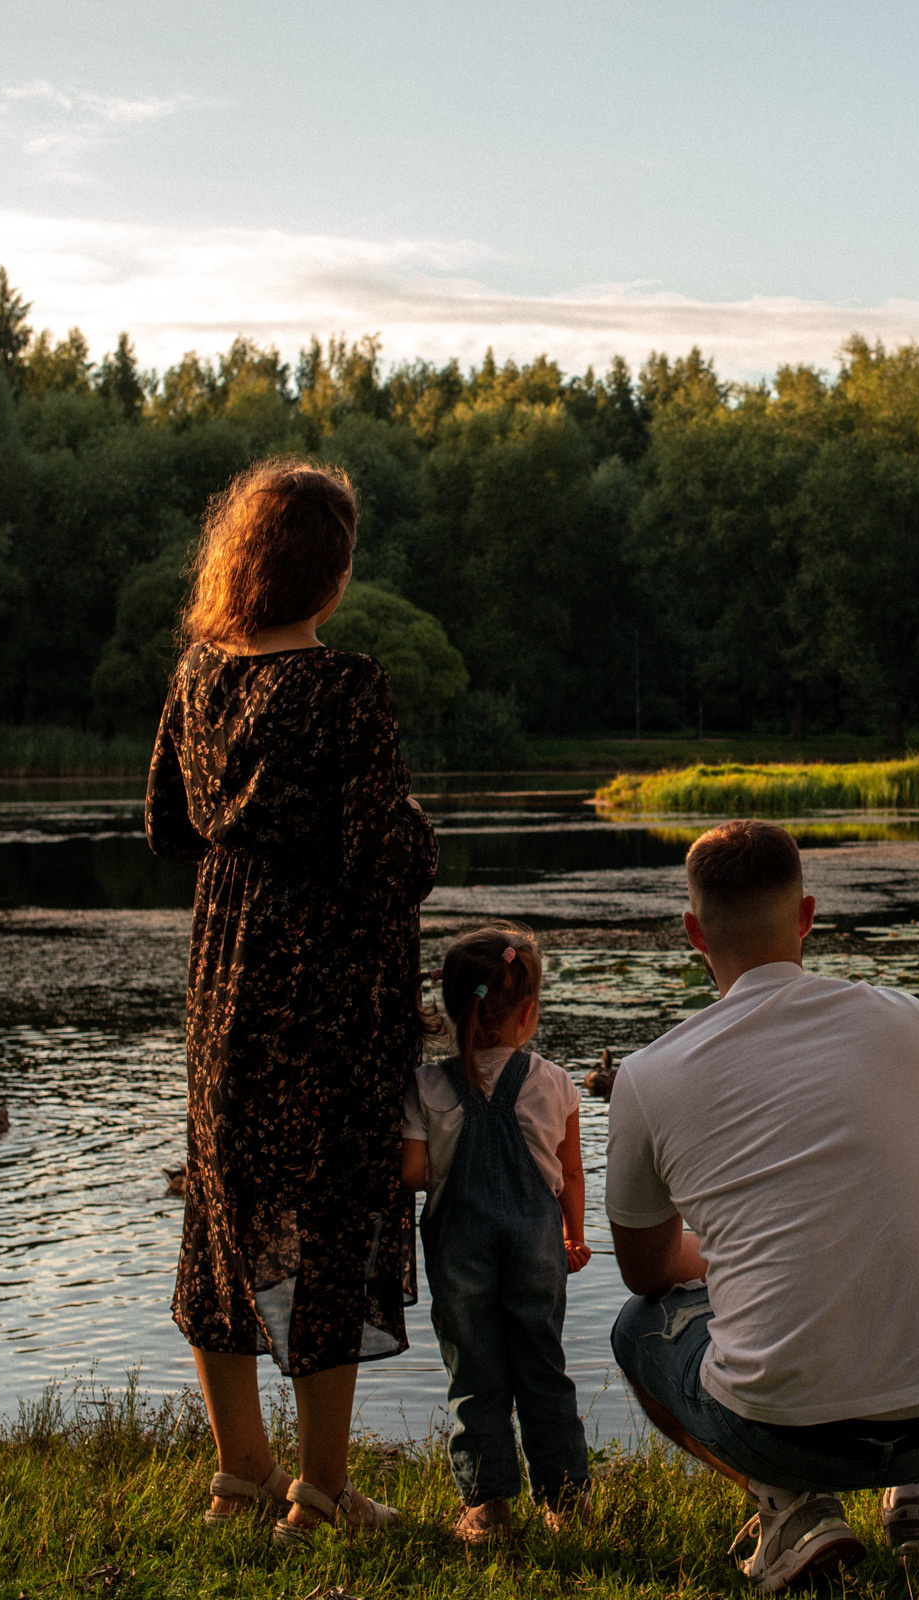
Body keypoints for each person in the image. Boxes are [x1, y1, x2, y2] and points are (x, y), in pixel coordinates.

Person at [605, 819, 919, 1593]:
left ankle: (790, 1506)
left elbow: (647, 1271)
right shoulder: (905, 1016)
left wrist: (729, 1255)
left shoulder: (646, 1076)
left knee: (638, 1330)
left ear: (693, 932)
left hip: (778, 1435)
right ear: (807, 917)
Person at [146, 458, 439, 1548]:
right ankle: (319, 1495)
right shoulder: (347, 686)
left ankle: (239, 1471)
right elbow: (384, 858)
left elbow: (171, 830)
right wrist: (420, 831)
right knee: (332, 1217)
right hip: (328, 990)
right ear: (334, 570)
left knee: (219, 1213)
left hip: (226, 979)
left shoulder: (198, 677)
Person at [400, 920, 593, 1542]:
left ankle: (487, 1508)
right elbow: (570, 1171)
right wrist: (573, 1235)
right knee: (543, 1366)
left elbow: (410, 1175)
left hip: (459, 1253)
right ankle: (566, 1502)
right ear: (529, 1013)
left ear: (454, 1010)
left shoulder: (427, 1086)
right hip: (538, 1248)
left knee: (475, 1372)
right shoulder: (554, 1082)